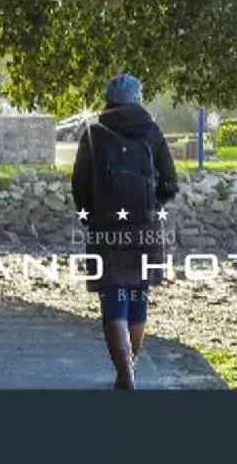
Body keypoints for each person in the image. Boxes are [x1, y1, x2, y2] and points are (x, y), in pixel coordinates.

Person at [71, 72, 179, 389]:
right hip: (146, 227)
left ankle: (124, 373)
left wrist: (89, 218)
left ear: (108, 99)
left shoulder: (94, 133)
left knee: (113, 295)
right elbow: (171, 183)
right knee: (137, 294)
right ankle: (130, 367)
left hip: (106, 227)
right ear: (138, 98)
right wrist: (152, 206)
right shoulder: (152, 131)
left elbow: (79, 185)